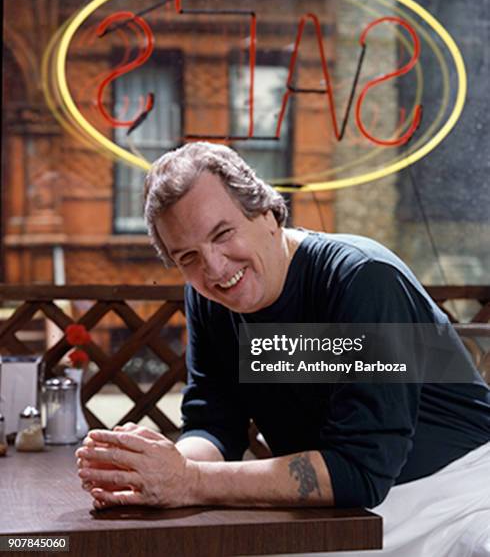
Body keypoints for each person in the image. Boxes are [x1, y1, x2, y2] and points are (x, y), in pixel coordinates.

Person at [76, 142, 490, 556]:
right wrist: (157, 468)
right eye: (188, 257)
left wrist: (188, 480)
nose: (215, 269)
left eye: (223, 234)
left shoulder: (363, 278)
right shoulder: (209, 300)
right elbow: (216, 425)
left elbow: (360, 470)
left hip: (461, 494)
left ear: (268, 213)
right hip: (342, 510)